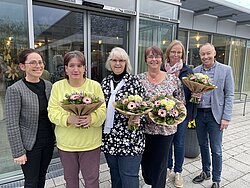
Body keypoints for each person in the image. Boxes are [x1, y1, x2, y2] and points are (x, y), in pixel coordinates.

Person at [47, 51, 106, 188]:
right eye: (71, 65)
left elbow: (103, 111)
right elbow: (52, 112)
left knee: (91, 180)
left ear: (85, 68)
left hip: (90, 143)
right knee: (70, 180)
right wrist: (68, 119)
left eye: (79, 65)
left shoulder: (94, 86)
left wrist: (91, 118)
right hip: (67, 143)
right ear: (66, 69)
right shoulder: (57, 87)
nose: (75, 69)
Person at [5, 48, 55, 187]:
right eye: (33, 62)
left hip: (48, 141)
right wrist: (18, 152)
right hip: (30, 146)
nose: (38, 66)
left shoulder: (48, 86)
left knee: (42, 177)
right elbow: (12, 124)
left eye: (40, 62)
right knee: (31, 182)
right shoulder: (15, 90)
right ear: (22, 66)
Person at [138, 46, 185, 188]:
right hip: (144, 129)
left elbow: (180, 102)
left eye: (157, 56)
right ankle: (149, 180)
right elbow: (134, 102)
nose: (154, 59)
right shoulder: (139, 79)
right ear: (146, 60)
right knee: (145, 164)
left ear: (161, 59)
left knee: (160, 164)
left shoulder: (172, 80)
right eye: (150, 56)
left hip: (166, 131)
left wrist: (172, 115)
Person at [101, 47, 146, 188]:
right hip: (110, 137)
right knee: (115, 175)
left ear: (126, 63)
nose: (118, 63)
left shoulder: (134, 81)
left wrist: (138, 118)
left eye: (121, 60)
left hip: (131, 137)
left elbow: (146, 107)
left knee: (129, 176)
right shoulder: (105, 82)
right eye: (114, 60)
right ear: (110, 62)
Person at [192, 43, 234, 188]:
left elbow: (229, 94)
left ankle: (216, 179)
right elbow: (193, 91)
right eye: (203, 54)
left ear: (214, 53)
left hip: (215, 116)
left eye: (208, 53)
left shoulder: (226, 70)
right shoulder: (196, 71)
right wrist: (194, 95)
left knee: (216, 148)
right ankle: (205, 171)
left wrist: (226, 117)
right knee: (202, 145)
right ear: (200, 55)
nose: (205, 57)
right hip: (200, 114)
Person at [162, 40, 194, 188]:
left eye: (179, 52)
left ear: (183, 54)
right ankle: (168, 169)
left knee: (179, 143)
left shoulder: (187, 71)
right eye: (173, 51)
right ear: (168, 53)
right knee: (167, 142)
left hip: (182, 113)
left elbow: (192, 93)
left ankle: (178, 172)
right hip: (165, 112)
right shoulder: (162, 68)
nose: (176, 54)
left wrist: (197, 96)